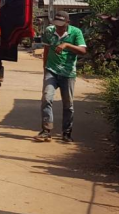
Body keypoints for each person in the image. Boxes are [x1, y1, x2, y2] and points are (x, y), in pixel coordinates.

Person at [36, 10, 87, 142]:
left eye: (61, 25)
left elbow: (83, 51)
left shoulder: (76, 32)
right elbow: (46, 50)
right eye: (56, 24)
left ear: (67, 23)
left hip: (68, 73)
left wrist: (67, 45)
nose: (58, 27)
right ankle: (46, 130)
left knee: (68, 104)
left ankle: (66, 133)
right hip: (51, 70)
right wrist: (44, 68)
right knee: (46, 99)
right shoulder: (49, 31)